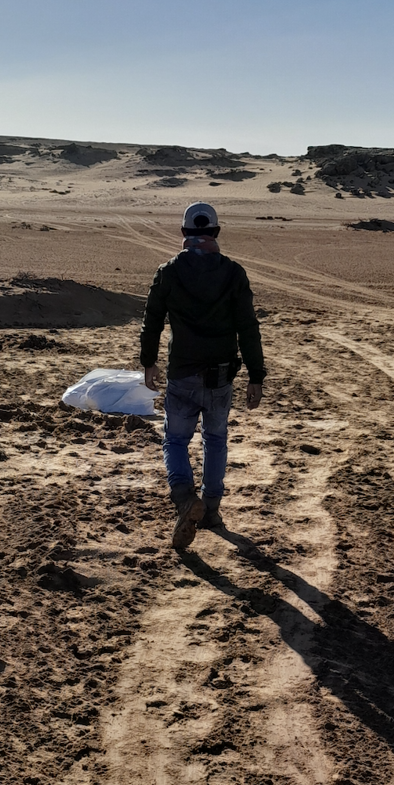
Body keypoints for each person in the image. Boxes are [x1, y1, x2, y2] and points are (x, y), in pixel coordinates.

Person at [140, 201, 266, 548]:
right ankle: (210, 509)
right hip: (220, 376)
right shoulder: (233, 273)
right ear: (216, 232)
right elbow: (248, 328)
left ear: (183, 232)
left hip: (182, 373)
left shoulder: (168, 272)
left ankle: (184, 498)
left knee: (175, 441)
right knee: (215, 440)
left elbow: (152, 320)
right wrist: (256, 375)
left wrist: (148, 362)